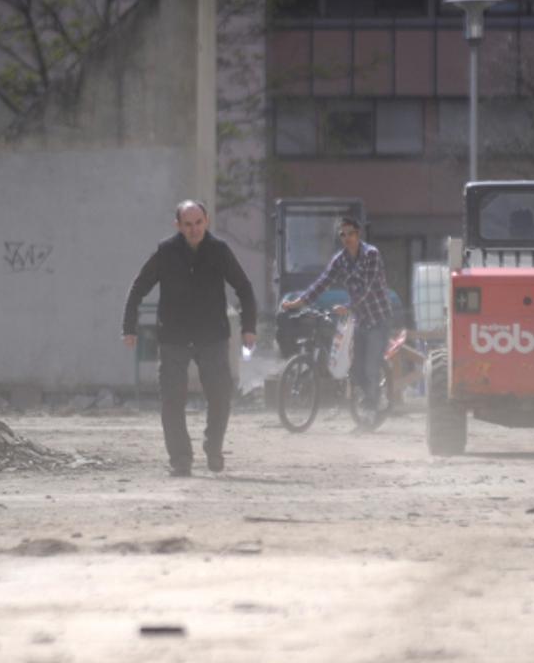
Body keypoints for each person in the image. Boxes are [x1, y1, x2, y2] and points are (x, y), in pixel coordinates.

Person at [122, 200, 256, 476]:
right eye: (188, 225)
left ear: (206, 221)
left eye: (198, 223)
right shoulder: (166, 251)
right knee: (172, 399)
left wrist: (249, 326)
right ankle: (181, 460)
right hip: (174, 335)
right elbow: (139, 286)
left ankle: (213, 445)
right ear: (178, 226)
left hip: (212, 335)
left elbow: (243, 286)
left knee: (220, 396)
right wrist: (129, 326)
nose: (194, 230)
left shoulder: (219, 251)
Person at [281, 216, 391, 425]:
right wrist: (300, 301)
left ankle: (374, 404)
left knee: (370, 365)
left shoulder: (371, 255)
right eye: (343, 234)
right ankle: (369, 400)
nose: (347, 238)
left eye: (350, 233)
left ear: (358, 234)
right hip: (359, 319)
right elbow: (322, 282)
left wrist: (348, 307)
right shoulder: (339, 260)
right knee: (356, 366)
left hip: (378, 317)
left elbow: (368, 288)